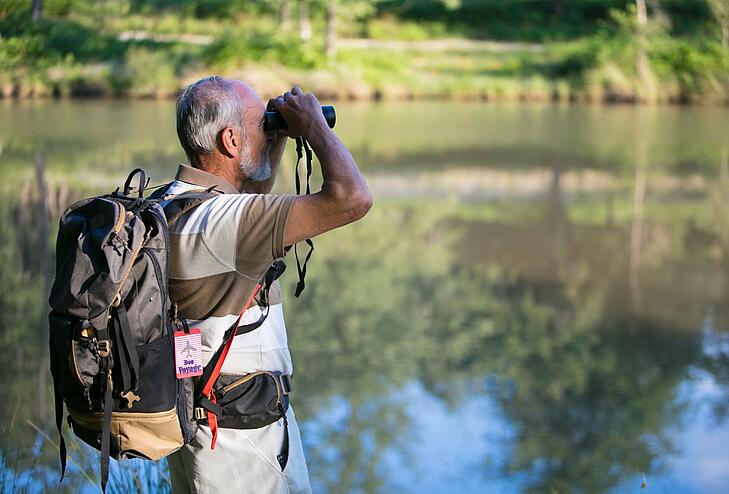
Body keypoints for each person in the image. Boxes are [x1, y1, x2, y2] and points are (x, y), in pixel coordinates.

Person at [164, 76, 372, 493]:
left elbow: (249, 199)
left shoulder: (174, 203)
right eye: (263, 125)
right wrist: (314, 127)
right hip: (243, 449)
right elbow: (353, 198)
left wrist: (272, 140)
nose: (270, 128)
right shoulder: (227, 223)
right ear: (231, 141)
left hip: (207, 431)